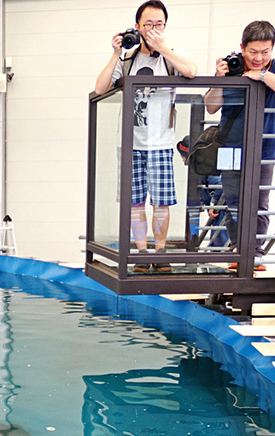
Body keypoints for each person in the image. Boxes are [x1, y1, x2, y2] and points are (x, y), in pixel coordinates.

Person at [94, 1, 197, 258]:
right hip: (129, 143)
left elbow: (192, 71)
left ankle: (160, 254)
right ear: (137, 26)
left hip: (161, 143)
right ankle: (141, 253)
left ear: (165, 27)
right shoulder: (127, 58)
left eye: (158, 25)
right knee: (135, 203)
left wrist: (162, 47)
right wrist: (115, 53)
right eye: (148, 24)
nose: (153, 29)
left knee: (161, 203)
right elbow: (99, 89)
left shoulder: (171, 55)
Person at [203, 20, 275, 258]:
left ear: (272, 49)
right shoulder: (231, 66)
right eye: (253, 52)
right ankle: (238, 251)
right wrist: (219, 78)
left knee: (259, 203)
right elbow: (211, 107)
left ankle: (255, 253)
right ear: (242, 48)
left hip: (264, 148)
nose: (258, 57)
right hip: (229, 148)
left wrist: (262, 75)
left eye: (265, 52)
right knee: (233, 203)